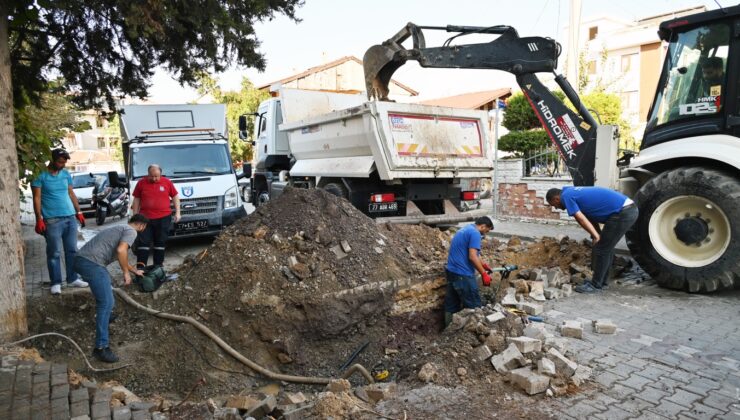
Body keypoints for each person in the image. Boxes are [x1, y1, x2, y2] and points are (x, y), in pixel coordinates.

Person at [73, 214, 149, 363]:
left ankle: (105, 317)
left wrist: (134, 271)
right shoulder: (131, 231)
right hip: (92, 263)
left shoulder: (120, 228)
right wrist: (126, 273)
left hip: (82, 260)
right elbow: (122, 251)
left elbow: (122, 257)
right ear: (141, 226)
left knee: (107, 288)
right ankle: (101, 348)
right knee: (106, 303)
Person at [545, 186, 638, 293]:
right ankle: (602, 282)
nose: (556, 208)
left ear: (556, 199)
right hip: (626, 210)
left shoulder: (566, 197)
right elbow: (588, 216)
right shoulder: (570, 192)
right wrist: (596, 234)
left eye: (554, 205)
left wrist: (596, 236)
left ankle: (596, 285)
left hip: (622, 212)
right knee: (607, 247)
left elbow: (580, 218)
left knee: (601, 249)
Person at [31, 148, 89, 295]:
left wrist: (79, 211)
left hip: (69, 217)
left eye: (64, 162)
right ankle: (56, 282)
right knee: (54, 252)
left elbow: (71, 192)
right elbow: (36, 198)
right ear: (52, 159)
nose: (62, 164)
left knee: (72, 250)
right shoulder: (40, 175)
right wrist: (39, 219)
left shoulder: (65, 174)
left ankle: (72, 278)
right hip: (52, 219)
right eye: (60, 161)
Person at [444, 216, 494, 326]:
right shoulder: (475, 233)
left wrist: (484, 265)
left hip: (452, 272)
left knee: (451, 305)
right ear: (483, 226)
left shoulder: (465, 229)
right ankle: (473, 334)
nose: (485, 234)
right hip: (463, 274)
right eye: (486, 231)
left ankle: (447, 333)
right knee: (474, 306)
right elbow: (472, 256)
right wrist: (484, 274)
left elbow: (476, 254)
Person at [131, 164, 180, 267]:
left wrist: (178, 212)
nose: (154, 179)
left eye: (156, 176)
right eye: (151, 176)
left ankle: (158, 267)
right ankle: (141, 269)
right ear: (147, 174)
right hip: (145, 219)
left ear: (160, 174)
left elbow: (175, 196)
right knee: (143, 244)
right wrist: (135, 216)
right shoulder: (141, 183)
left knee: (160, 243)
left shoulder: (167, 182)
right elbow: (136, 199)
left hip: (163, 217)